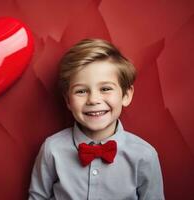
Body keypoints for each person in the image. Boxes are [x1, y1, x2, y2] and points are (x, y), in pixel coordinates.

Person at [28, 38, 164, 200]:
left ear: (126, 95)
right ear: (68, 101)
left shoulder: (145, 155)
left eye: (105, 88)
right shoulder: (52, 149)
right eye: (81, 91)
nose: (93, 99)